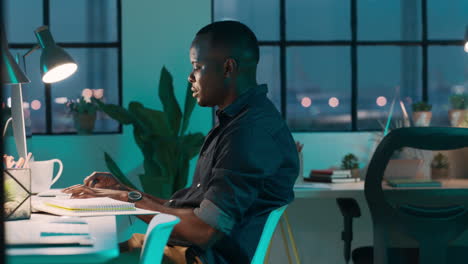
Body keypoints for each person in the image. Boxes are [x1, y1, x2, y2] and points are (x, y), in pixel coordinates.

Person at [63, 20, 299, 264]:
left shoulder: (249, 132)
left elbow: (203, 230)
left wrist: (125, 200)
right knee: (85, 251)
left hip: (196, 258)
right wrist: (122, 191)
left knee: (80, 257)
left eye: (197, 67)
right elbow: (191, 212)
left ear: (228, 68)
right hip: (180, 251)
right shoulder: (237, 122)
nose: (190, 77)